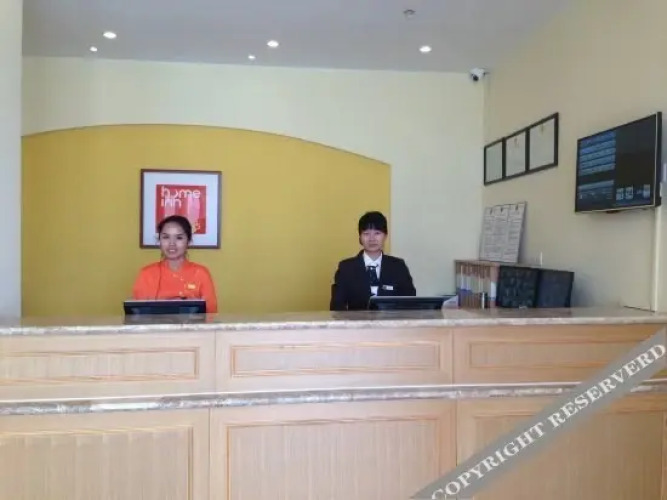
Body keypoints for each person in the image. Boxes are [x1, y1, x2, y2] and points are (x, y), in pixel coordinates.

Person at [330, 211, 416, 311]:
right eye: (366, 234)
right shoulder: (346, 268)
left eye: (377, 233)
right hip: (356, 321)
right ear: (360, 237)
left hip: (391, 321)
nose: (372, 239)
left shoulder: (398, 266)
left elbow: (410, 303)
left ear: (385, 236)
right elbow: (336, 307)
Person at [132, 215, 218, 313]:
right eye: (166, 237)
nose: (171, 243)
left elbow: (210, 315)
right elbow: (138, 315)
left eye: (179, 238)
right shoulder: (146, 274)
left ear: (188, 241)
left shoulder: (201, 273)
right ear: (159, 240)